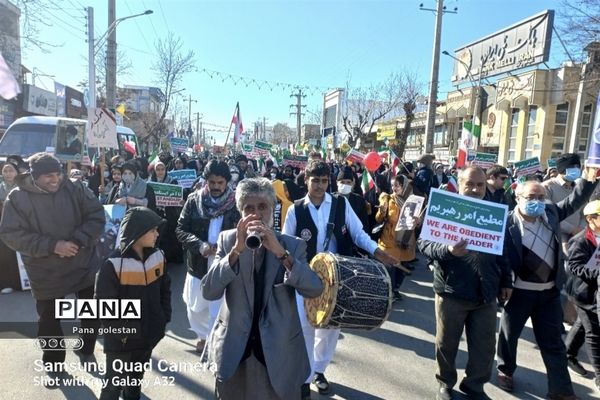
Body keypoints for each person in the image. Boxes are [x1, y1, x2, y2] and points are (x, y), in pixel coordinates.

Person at [282, 160, 399, 399]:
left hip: (337, 278)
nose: (320, 186)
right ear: (306, 180)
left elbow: (358, 234)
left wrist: (378, 252)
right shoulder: (296, 209)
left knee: (329, 327)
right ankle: (304, 377)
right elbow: (286, 242)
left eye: (324, 181)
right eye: (315, 180)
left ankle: (319, 371)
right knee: (305, 326)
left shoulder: (341, 204)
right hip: (305, 275)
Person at [201, 177, 323, 400]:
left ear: (273, 209)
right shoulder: (228, 241)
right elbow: (209, 291)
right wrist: (236, 252)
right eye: (249, 208)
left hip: (278, 354)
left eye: (262, 207)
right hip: (235, 352)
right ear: (240, 212)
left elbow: (314, 289)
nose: (256, 214)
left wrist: (281, 254)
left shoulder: (292, 244)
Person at [496, 166, 598, 400]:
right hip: (518, 293)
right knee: (509, 337)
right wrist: (503, 282)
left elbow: (574, 201)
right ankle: (505, 371)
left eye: (541, 197)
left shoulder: (551, 213)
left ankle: (560, 390)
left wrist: (589, 180)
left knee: (554, 344)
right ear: (518, 198)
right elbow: (499, 257)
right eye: (531, 198)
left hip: (549, 294)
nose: (537, 202)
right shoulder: (505, 223)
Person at [0, 152, 105, 376]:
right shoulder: (17, 198)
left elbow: (97, 215)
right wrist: (53, 245)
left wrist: (77, 241)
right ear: (34, 175)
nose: (55, 179)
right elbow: (10, 234)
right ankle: (54, 364)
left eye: (58, 174)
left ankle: (86, 349)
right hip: (44, 270)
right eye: (49, 176)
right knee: (49, 320)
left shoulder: (76, 188)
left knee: (91, 312)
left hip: (83, 263)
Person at [418, 166, 513, 400]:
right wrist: (449, 250)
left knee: (484, 347)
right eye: (469, 184)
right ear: (459, 184)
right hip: (452, 291)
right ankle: (445, 384)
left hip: (486, 293)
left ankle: (474, 386)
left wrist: (506, 280)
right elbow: (425, 245)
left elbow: (504, 251)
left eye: (480, 185)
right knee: (446, 343)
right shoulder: (443, 209)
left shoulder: (495, 213)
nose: (475, 189)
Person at [96, 207, 171, 400]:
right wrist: (122, 334)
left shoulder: (159, 256)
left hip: (148, 337)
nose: (157, 233)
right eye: (152, 230)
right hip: (121, 343)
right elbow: (105, 308)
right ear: (137, 232)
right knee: (113, 386)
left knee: (135, 379)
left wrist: (163, 318)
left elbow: (165, 290)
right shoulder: (111, 265)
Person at [176, 160, 240, 353]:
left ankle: (215, 342)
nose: (216, 187)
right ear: (206, 181)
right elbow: (180, 229)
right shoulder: (194, 200)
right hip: (198, 262)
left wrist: (227, 247)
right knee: (195, 307)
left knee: (219, 307)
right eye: (212, 182)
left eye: (220, 183)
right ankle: (203, 335)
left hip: (224, 263)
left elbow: (241, 231)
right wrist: (200, 245)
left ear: (226, 182)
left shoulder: (236, 204)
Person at [564, 199, 600, 390]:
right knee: (594, 333)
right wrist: (597, 274)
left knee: (582, 324)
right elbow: (575, 267)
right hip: (583, 293)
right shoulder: (581, 240)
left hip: (595, 293)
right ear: (590, 219)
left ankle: (567, 354)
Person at [376, 174, 417, 299]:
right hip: (389, 240)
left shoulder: (413, 201)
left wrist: (418, 220)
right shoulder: (387, 199)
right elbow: (378, 219)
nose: (394, 188)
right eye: (392, 185)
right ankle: (390, 292)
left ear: (404, 186)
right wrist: (382, 212)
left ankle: (395, 289)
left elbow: (417, 223)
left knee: (402, 269)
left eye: (397, 185)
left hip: (405, 240)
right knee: (390, 267)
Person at [0, 161, 21, 293]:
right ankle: (5, 284)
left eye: (11, 170)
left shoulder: (22, 188)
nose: (8, 174)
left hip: (19, 226)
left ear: (17, 172)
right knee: (3, 255)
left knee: (16, 255)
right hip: (2, 226)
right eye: (5, 171)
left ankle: (19, 284)